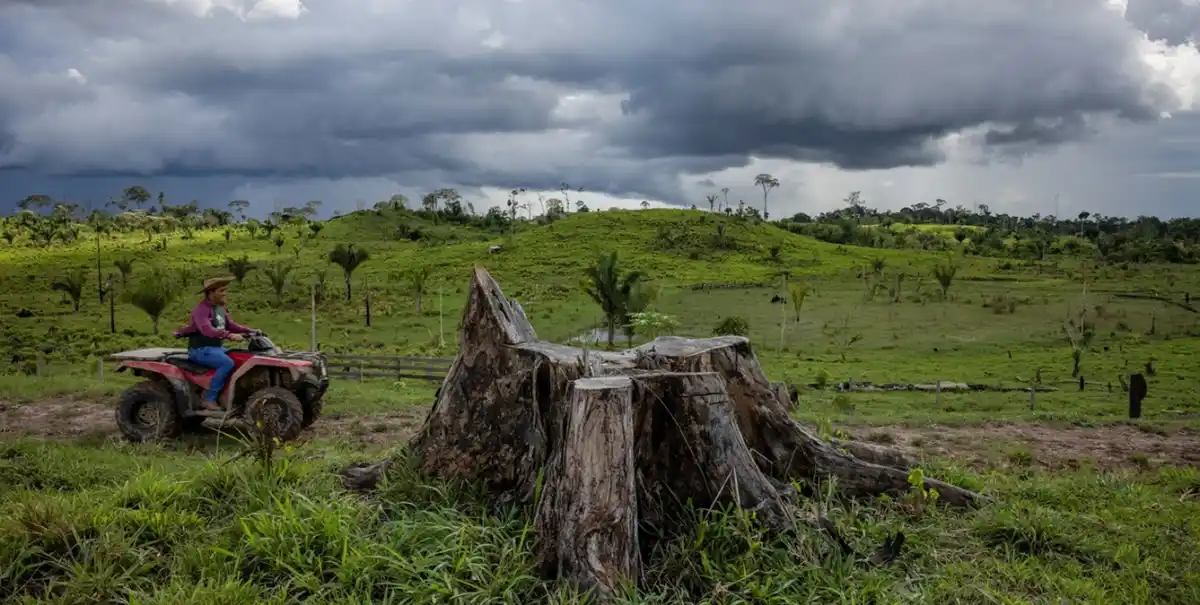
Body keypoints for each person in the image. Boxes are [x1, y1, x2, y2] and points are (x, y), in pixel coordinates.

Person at [174, 276, 258, 410]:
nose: (225, 293)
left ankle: (229, 396)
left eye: (225, 290)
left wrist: (252, 331)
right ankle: (209, 399)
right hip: (200, 350)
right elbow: (207, 330)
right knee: (227, 363)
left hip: (216, 348)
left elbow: (231, 325)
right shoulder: (201, 310)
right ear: (211, 292)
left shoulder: (220, 308)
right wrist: (229, 336)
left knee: (241, 358)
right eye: (221, 290)